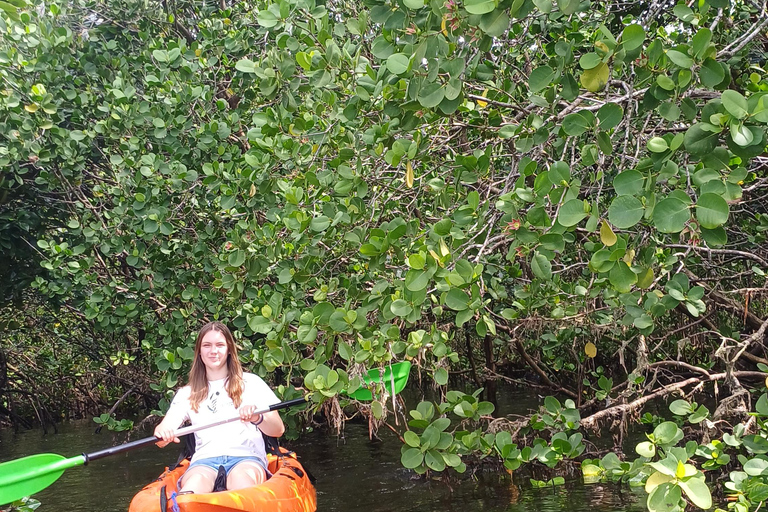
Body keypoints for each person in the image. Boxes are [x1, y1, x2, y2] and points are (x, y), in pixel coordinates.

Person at [153, 321, 284, 493]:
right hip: (204, 462)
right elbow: (164, 431)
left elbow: (278, 429)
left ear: (229, 349)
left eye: (220, 345)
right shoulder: (187, 393)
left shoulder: (252, 383)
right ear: (199, 352)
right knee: (192, 487)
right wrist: (163, 432)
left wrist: (257, 417)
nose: (213, 351)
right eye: (207, 345)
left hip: (246, 458)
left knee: (241, 481)